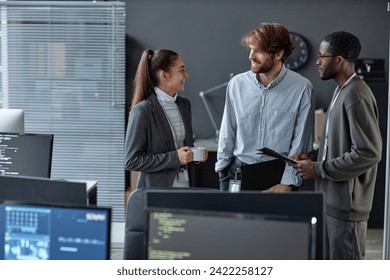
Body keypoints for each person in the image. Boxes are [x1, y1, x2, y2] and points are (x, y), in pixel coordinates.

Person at [291, 31, 382, 260]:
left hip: (346, 210)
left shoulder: (356, 95)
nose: (317, 61)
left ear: (339, 60)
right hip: (331, 204)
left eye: (322, 56)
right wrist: (314, 157)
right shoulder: (340, 91)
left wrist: (318, 169)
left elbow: (368, 152)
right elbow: (340, 145)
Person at [215, 22, 315, 192]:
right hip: (237, 173)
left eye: (258, 51)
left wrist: (288, 183)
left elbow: (300, 142)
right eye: (251, 49)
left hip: (278, 177)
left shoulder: (302, 88)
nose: (251, 56)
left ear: (278, 54)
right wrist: (222, 170)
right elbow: (227, 131)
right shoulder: (236, 84)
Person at [125, 49, 208, 189]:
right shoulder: (142, 111)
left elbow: (185, 146)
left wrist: (195, 156)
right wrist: (175, 158)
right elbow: (132, 161)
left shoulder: (184, 105)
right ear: (164, 75)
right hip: (158, 195)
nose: (186, 75)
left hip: (187, 188)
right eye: (181, 70)